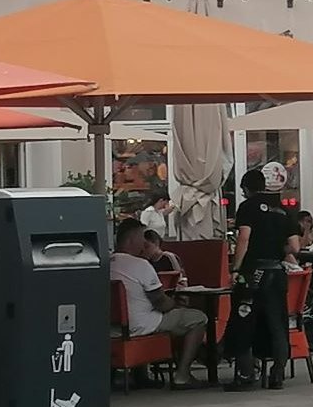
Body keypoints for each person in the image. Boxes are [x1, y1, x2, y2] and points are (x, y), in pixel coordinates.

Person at [227, 162, 301, 391]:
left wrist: (236, 268)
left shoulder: (247, 207)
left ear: (247, 189)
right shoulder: (283, 210)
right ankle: (277, 373)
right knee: (277, 323)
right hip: (276, 273)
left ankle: (245, 374)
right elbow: (295, 247)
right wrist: (278, 251)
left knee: (243, 320)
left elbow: (244, 238)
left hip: (252, 273)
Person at [110, 218, 208, 389]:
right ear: (131, 240)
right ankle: (182, 376)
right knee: (198, 318)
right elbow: (160, 303)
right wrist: (176, 304)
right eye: (142, 238)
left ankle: (140, 376)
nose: (144, 243)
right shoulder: (141, 264)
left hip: (113, 327)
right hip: (142, 325)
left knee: (142, 310)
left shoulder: (106, 263)